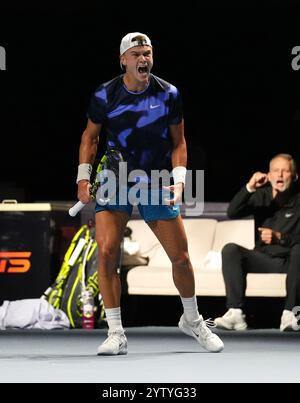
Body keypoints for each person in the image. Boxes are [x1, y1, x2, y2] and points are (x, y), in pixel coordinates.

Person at [75, 32, 224, 355]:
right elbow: (90, 138)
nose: (145, 59)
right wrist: (83, 178)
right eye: (138, 54)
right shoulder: (105, 94)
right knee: (107, 253)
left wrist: (181, 180)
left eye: (149, 53)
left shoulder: (169, 93)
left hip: (156, 180)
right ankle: (116, 332)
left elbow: (179, 143)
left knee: (181, 259)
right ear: (123, 60)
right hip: (114, 179)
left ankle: (192, 320)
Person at [214, 153, 300, 331]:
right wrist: (250, 187)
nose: (280, 175)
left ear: (295, 176)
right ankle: (236, 314)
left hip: (290, 260)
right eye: (276, 171)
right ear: (269, 175)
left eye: (285, 171)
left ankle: (289, 314)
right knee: (230, 250)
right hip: (264, 258)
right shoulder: (261, 196)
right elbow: (232, 212)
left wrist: (280, 237)